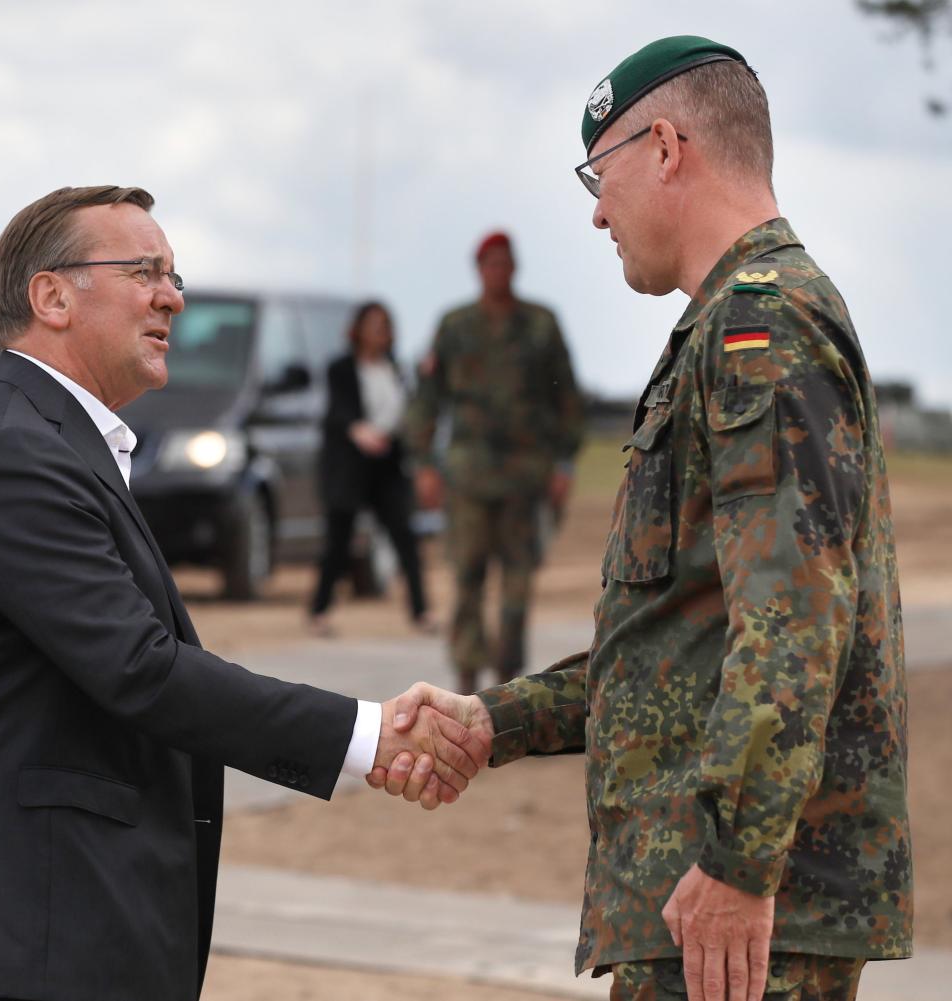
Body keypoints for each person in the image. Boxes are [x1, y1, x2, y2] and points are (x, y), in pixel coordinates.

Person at [375, 36, 912, 1001]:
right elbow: (678, 642)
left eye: (600, 170)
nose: (594, 210)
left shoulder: (761, 327)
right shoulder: (726, 327)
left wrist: (741, 863)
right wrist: (493, 721)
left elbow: (795, 624)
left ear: (666, 147)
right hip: (712, 902)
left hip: (741, 916)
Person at [0, 186, 486, 1001]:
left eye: (174, 274)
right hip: (28, 938)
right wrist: (369, 736)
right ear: (51, 296)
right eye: (145, 271)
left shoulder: (39, 436)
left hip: (50, 929)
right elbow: (143, 669)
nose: (173, 297)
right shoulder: (12, 452)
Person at [405, 231, 584, 694]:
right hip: (468, 475)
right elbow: (427, 399)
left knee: (518, 582)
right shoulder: (456, 325)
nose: (497, 272)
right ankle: (467, 672)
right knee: (466, 577)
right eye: (490, 264)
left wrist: (564, 465)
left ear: (514, 268)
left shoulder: (541, 325)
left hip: (527, 475)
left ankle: (507, 679)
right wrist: (424, 462)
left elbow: (567, 399)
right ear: (478, 269)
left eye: (504, 263)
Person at [309, 301, 434, 636]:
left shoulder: (396, 367)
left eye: (384, 325)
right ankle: (319, 611)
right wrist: (357, 430)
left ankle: (421, 611)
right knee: (339, 541)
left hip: (388, 465)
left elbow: (408, 410)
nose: (379, 331)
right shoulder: (341, 368)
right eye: (373, 324)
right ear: (359, 329)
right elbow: (338, 410)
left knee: (405, 537)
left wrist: (425, 375)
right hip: (351, 465)